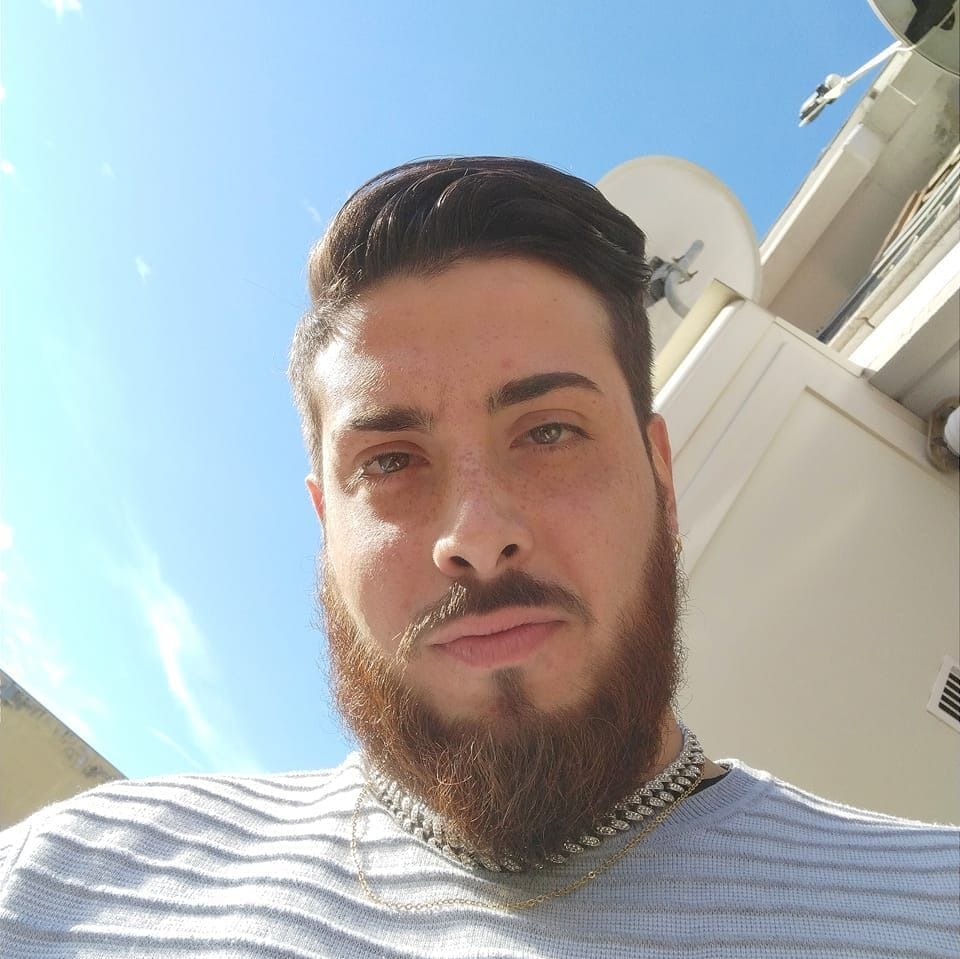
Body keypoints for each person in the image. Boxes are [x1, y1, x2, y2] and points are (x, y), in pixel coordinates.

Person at [0, 157, 956, 958]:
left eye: (549, 431)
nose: (476, 532)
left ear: (661, 478)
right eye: (389, 461)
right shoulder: (71, 874)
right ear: (326, 526)